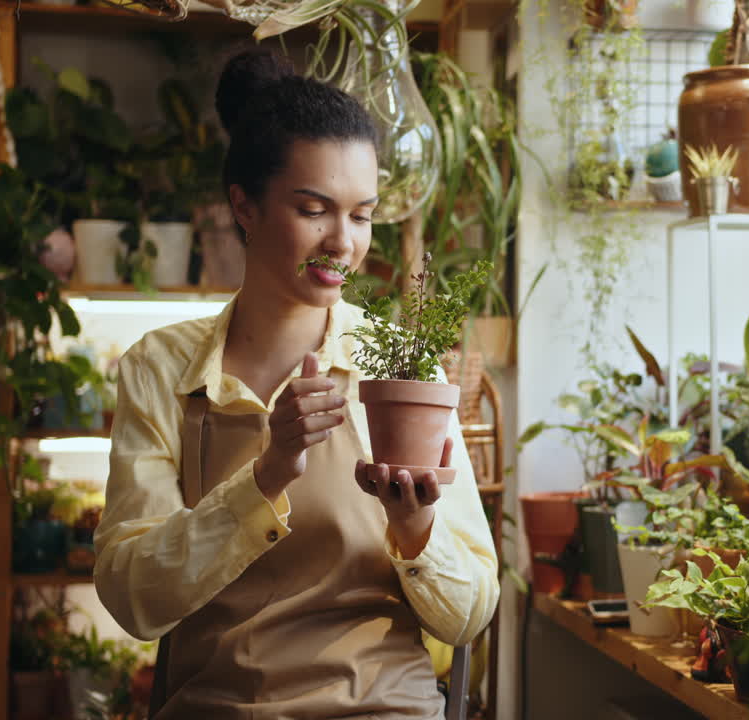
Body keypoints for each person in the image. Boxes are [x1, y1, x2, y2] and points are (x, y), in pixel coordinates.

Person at [93, 49, 499, 719]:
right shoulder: (162, 370)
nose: (344, 242)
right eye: (315, 209)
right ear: (244, 206)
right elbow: (132, 598)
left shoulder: (399, 366)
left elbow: (469, 615)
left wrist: (418, 528)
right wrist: (267, 474)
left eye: (362, 216)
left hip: (378, 707)